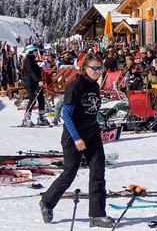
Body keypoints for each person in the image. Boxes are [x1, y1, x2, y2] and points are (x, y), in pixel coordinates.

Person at [40, 54, 114, 228]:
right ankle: (47, 202)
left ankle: (97, 215)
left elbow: (91, 109)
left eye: (99, 68)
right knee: (69, 174)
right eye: (94, 68)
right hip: (74, 136)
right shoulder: (75, 86)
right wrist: (77, 138)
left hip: (92, 134)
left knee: (98, 172)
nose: (97, 72)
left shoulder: (95, 86)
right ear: (85, 68)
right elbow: (67, 115)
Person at [21, 45, 49, 127]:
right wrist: (38, 80)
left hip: (37, 83)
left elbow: (35, 70)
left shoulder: (32, 60)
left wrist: (40, 70)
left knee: (41, 99)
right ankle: (26, 118)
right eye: (36, 50)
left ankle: (41, 118)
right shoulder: (27, 60)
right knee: (32, 99)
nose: (37, 52)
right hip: (30, 83)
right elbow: (30, 72)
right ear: (31, 51)